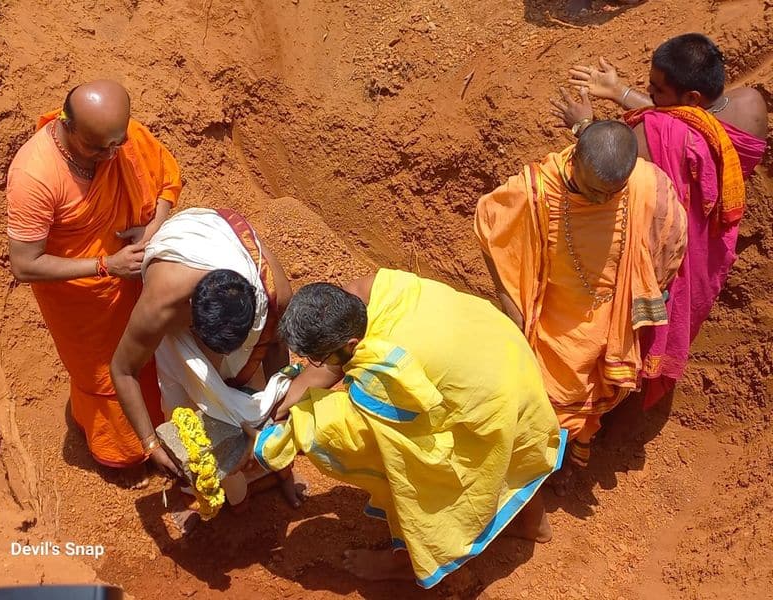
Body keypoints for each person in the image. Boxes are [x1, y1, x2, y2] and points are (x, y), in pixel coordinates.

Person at [242, 269, 565, 588]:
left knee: (412, 469)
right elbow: (336, 363)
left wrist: (280, 437)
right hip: (509, 358)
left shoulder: (386, 371)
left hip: (488, 405)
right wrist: (278, 407)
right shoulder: (372, 290)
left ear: (350, 344)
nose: (313, 364)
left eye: (316, 357)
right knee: (512, 453)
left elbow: (346, 432)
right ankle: (532, 522)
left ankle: (405, 564)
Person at [554, 33, 767, 407]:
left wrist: (583, 127)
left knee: (631, 325)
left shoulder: (651, 136)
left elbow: (609, 168)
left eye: (655, 90)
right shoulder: (750, 105)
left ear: (691, 98)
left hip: (666, 251)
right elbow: (692, 121)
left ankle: (606, 401)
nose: (648, 93)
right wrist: (619, 91)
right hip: (710, 244)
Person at [474, 121, 687, 490]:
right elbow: (491, 227)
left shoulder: (647, 186)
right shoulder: (535, 190)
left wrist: (649, 286)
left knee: (593, 400)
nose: (603, 201)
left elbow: (671, 231)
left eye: (612, 192)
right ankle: (536, 473)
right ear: (575, 163)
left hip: (613, 323)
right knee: (548, 405)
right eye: (593, 191)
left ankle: (562, 463)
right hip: (553, 325)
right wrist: (515, 313)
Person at [6, 80, 181, 477]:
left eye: (115, 144)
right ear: (67, 125)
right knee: (105, 373)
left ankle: (161, 425)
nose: (110, 155)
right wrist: (107, 266)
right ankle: (123, 453)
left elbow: (165, 178)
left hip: (137, 280)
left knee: (152, 355)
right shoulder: (34, 177)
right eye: (98, 147)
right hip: (85, 305)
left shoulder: (121, 138)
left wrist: (152, 229)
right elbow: (25, 264)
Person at [110, 207, 302, 524]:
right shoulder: (161, 306)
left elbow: (276, 354)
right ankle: (201, 487)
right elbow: (122, 370)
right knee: (183, 412)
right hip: (181, 296)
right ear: (190, 321)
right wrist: (150, 446)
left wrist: (272, 428)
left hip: (239, 314)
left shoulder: (273, 295)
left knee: (250, 405)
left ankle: (265, 475)